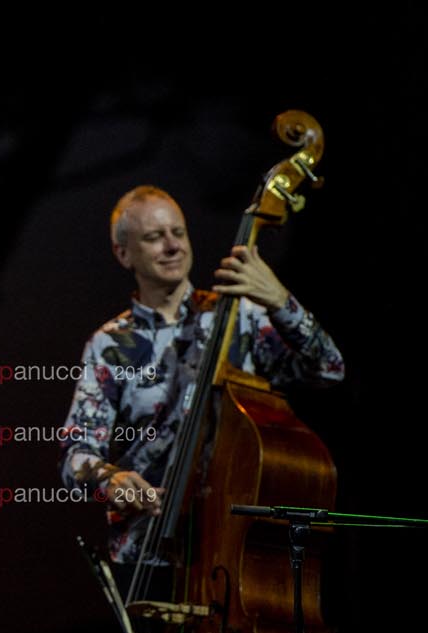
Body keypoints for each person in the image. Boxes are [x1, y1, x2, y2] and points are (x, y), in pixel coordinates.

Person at [58, 185, 344, 571]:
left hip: (233, 547)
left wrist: (280, 300)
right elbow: (76, 455)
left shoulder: (238, 319)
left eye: (178, 232)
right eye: (154, 237)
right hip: (148, 555)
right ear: (123, 253)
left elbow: (328, 368)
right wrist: (112, 479)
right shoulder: (109, 345)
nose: (173, 246)